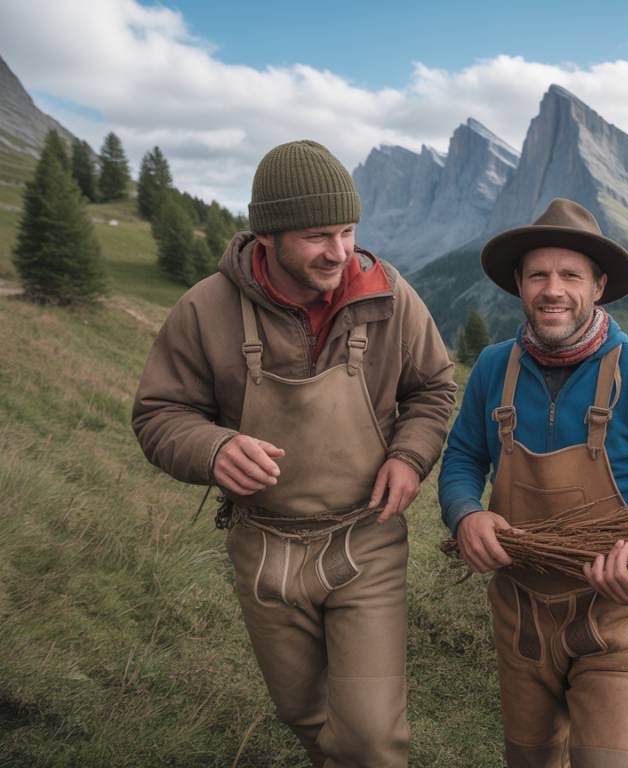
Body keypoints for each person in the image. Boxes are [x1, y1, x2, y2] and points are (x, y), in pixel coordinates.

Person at [132, 140, 456, 767]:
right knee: (304, 714)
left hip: (365, 539)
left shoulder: (389, 295)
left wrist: (410, 456)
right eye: (317, 236)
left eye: (348, 231)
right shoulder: (205, 309)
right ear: (268, 235)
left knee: (368, 736)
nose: (340, 252)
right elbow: (158, 414)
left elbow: (434, 388)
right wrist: (212, 447)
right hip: (263, 547)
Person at [438, 198, 628, 768]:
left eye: (570, 275)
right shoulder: (493, 367)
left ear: (599, 285)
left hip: (618, 622)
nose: (552, 289)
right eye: (538, 274)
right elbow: (463, 455)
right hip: (521, 619)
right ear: (519, 283)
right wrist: (466, 513)